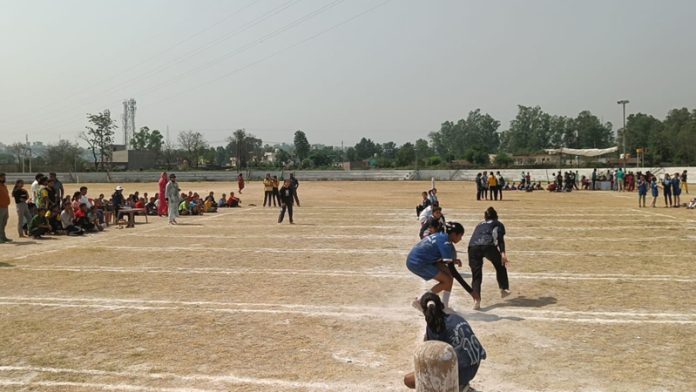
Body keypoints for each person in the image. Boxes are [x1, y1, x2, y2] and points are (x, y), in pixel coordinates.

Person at [403, 292, 486, 391]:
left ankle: (458, 386)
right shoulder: (455, 317)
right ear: (441, 305)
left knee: (409, 380)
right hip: (474, 365)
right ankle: (462, 386)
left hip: (461, 372)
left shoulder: (435, 327)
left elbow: (430, 357)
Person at [406, 222, 465, 309]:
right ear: (453, 234)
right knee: (447, 280)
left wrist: (453, 260)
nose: (461, 238)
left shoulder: (442, 236)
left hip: (419, 259)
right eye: (460, 235)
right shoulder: (446, 243)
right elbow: (449, 264)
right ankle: (420, 300)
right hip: (418, 262)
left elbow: (442, 258)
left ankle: (445, 307)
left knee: (449, 276)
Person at [468, 207, 510, 310]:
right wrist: (503, 254)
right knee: (500, 265)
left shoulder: (480, 224)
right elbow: (500, 239)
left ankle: (476, 300)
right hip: (488, 245)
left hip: (473, 247)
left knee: (476, 275)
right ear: (496, 216)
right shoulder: (498, 223)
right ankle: (503, 288)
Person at [0, 173, 10, 243]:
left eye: (4, 177)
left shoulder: (4, 185)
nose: (4, 178)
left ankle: (3, 236)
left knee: (4, 222)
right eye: (2, 177)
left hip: (5, 206)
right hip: (0, 207)